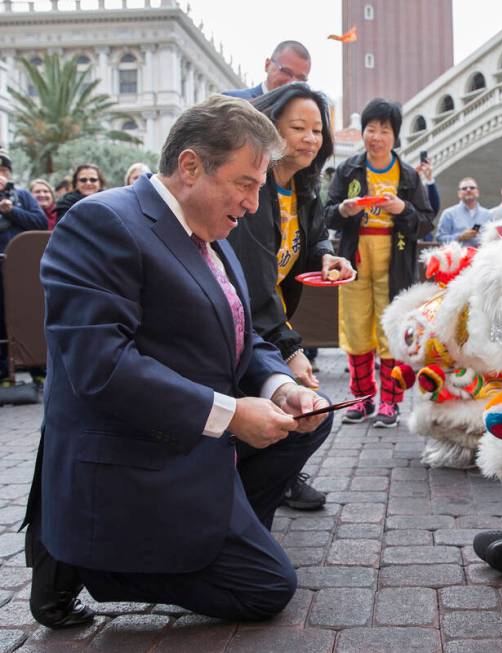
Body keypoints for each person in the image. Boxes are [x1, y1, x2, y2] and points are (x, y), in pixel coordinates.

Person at [24, 95, 331, 629]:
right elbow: (104, 366)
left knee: (306, 425)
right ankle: (89, 560)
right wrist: (234, 415)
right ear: (191, 166)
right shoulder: (101, 222)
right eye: (245, 183)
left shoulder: (215, 237)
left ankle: (221, 534)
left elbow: (243, 336)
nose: (254, 204)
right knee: (267, 589)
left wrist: (280, 387)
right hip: (135, 448)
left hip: (188, 436)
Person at [227, 83, 351, 511]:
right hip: (241, 327)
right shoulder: (251, 192)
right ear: (269, 129)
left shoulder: (303, 188)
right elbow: (253, 285)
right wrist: (290, 349)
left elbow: (314, 240)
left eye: (318, 129)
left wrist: (329, 256)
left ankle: (263, 491)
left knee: (299, 419)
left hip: (270, 324)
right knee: (297, 418)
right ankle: (241, 506)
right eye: (298, 127)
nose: (311, 138)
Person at [325, 98, 434, 428]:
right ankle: (361, 398)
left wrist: (402, 210)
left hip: (394, 261)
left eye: (384, 130)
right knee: (356, 328)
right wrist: (344, 210)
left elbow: (427, 222)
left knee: (389, 330)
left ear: (394, 135)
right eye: (370, 129)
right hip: (355, 259)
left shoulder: (408, 175)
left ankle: (390, 401)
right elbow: (327, 213)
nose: (376, 136)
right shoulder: (349, 170)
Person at [0, 151, 47, 381]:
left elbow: (39, 222)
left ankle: (38, 368)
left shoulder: (23, 197)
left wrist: (12, 211)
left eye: (3, 171)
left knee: (28, 314)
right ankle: (3, 373)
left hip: (20, 271)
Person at [225, 41, 311, 100]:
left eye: (300, 79)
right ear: (267, 65)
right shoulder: (233, 102)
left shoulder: (302, 118)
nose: (292, 83)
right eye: (286, 72)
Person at [435, 177, 492, 244]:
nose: (468, 190)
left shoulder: (487, 214)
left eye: (472, 188)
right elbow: (440, 239)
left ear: (477, 192)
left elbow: (493, 240)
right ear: (459, 193)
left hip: (481, 254)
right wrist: (460, 237)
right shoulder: (448, 214)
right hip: (457, 254)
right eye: (464, 188)